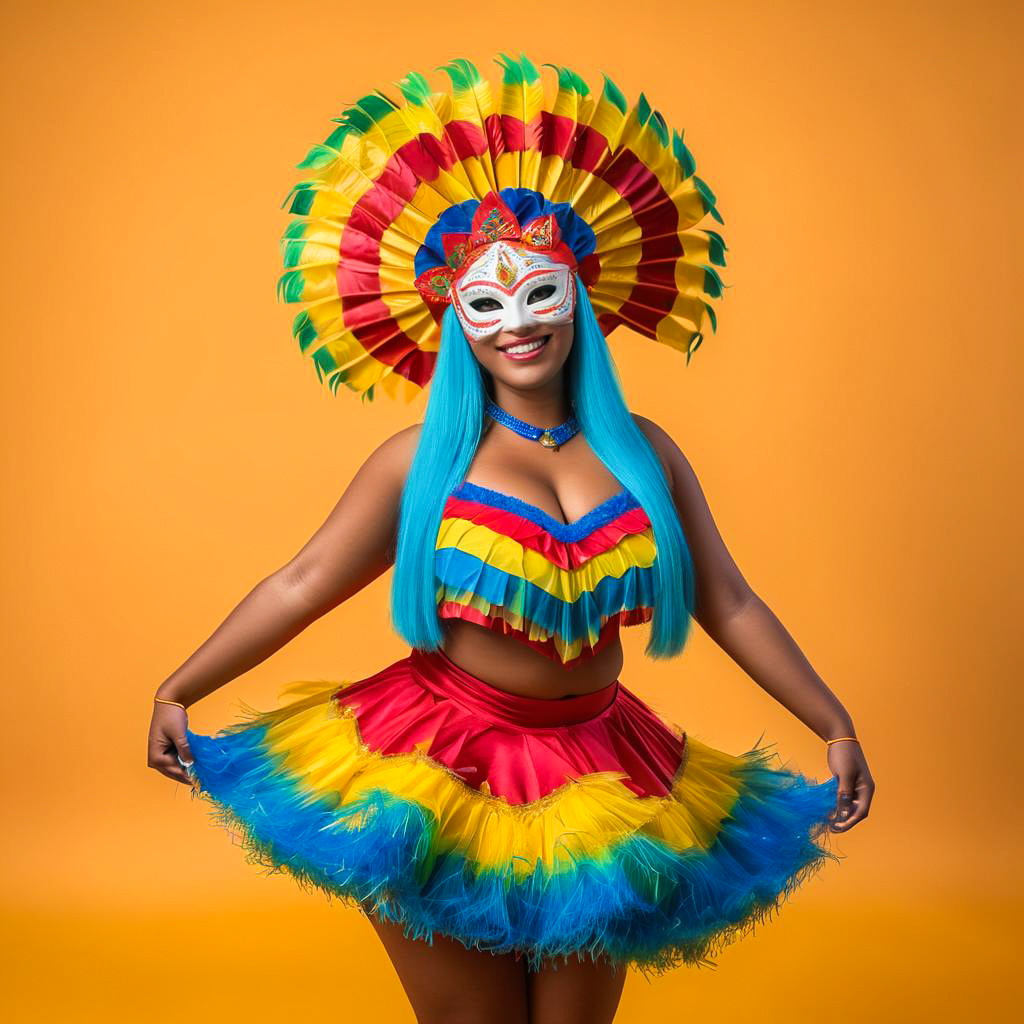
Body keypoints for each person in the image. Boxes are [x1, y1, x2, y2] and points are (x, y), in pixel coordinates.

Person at [148, 55, 873, 1024]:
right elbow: (305, 578)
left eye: (540, 293)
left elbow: (729, 599)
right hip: (436, 764)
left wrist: (833, 721)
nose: (516, 323)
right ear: (454, 319)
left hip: (605, 767)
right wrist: (179, 685)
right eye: (484, 304)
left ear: (582, 296)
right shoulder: (419, 463)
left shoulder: (645, 453)